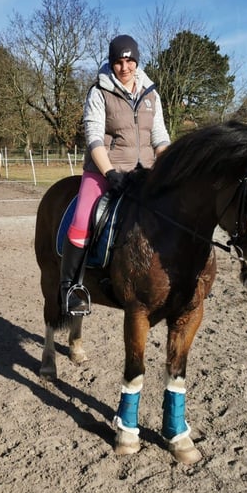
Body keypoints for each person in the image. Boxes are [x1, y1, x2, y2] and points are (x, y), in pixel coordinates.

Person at [60, 34, 171, 314]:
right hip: (104, 171)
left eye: (129, 60)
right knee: (84, 218)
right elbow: (94, 138)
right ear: (111, 63)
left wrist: (169, 166)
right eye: (119, 61)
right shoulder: (99, 92)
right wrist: (109, 173)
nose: (125, 67)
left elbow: (160, 137)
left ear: (137, 61)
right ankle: (70, 287)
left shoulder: (151, 94)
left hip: (145, 172)